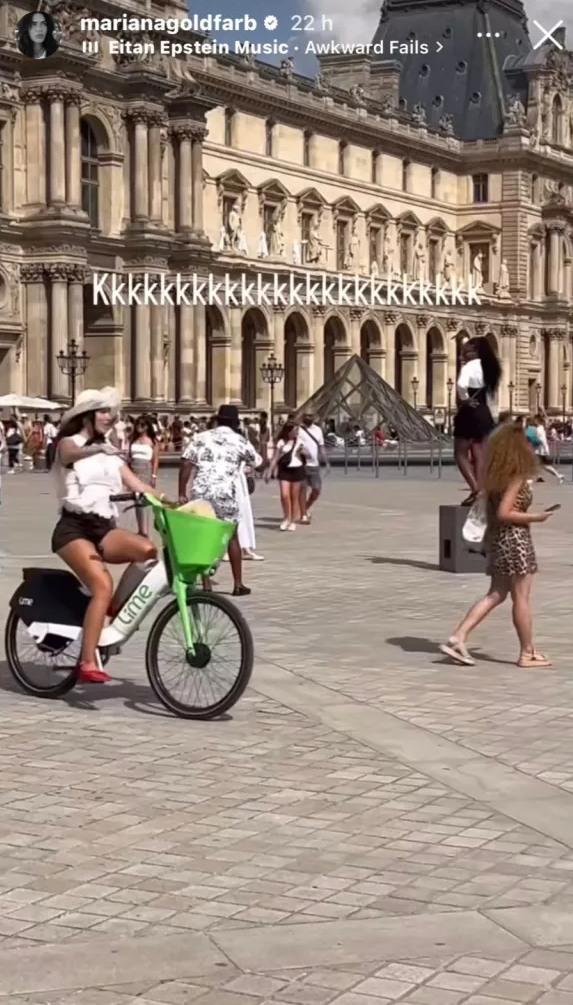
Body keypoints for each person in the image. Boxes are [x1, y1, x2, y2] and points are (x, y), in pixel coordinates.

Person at [51, 387, 164, 684]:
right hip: (73, 528)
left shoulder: (111, 452)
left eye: (110, 413)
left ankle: (112, 609)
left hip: (103, 528)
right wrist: (97, 448)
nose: (109, 417)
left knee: (147, 551)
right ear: (87, 415)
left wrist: (170, 502)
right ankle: (88, 660)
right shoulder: (70, 442)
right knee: (101, 583)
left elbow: (137, 483)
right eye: (102, 412)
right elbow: (67, 455)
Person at [440, 422, 554, 669]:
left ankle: (458, 636)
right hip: (516, 540)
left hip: (498, 539)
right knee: (521, 598)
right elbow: (505, 512)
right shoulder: (517, 474)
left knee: (496, 594)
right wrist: (536, 517)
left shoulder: (495, 475)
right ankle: (527, 653)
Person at [178, 404, 261, 596]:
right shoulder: (240, 440)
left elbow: (186, 463)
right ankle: (238, 584)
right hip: (226, 493)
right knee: (232, 536)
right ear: (235, 422)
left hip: (202, 491)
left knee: (203, 535)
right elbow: (258, 462)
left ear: (217, 420)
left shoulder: (200, 438)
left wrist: (182, 491)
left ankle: (206, 584)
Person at [454, 336, 502, 506]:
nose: (463, 355)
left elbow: (461, 385)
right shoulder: (491, 367)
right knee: (479, 453)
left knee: (460, 453)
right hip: (484, 412)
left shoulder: (470, 366)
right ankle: (482, 489)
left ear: (474, 351)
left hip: (470, 412)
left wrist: (465, 399)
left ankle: (476, 490)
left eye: (465, 351)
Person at [267, 420, 307, 531]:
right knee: (284, 495)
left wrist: (303, 452)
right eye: (295, 431)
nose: (296, 433)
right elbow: (275, 457)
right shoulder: (281, 442)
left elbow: (308, 455)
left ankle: (292, 520)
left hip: (297, 469)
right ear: (288, 431)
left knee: (294, 496)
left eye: (297, 431)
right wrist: (270, 470)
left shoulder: (300, 441)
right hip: (284, 470)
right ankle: (286, 518)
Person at [128, 415, 160, 536]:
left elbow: (155, 459)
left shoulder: (153, 441)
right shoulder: (133, 439)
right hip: (134, 469)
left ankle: (144, 529)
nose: (139, 427)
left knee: (143, 499)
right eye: (137, 424)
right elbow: (129, 456)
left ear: (147, 427)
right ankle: (141, 528)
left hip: (145, 469)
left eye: (142, 425)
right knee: (136, 500)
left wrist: (154, 476)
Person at [297, 413, 327, 524]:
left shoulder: (318, 430)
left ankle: (305, 507)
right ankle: (303, 515)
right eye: (307, 416)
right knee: (303, 489)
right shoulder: (298, 430)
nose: (309, 418)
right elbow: (294, 444)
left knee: (316, 490)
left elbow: (321, 446)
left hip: (315, 465)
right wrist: (301, 451)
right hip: (302, 464)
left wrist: (326, 460)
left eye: (311, 416)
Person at [531, 413, 564, 484]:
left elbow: (542, 440)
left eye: (534, 420)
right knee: (541, 465)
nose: (534, 421)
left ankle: (558, 475)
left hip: (540, 450)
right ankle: (539, 477)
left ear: (537, 420)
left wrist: (545, 449)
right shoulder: (541, 428)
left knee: (544, 466)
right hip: (540, 450)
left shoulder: (539, 429)